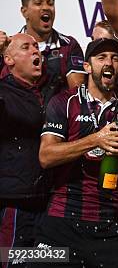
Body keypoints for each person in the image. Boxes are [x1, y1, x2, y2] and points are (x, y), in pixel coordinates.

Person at [36, 38, 118, 267]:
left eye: (115, 58)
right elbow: (46, 156)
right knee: (15, 257)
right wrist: (95, 139)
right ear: (87, 66)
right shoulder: (64, 101)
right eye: (101, 58)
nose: (109, 62)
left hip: (113, 222)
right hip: (62, 222)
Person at [0, 34, 47, 267]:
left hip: (45, 202)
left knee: (44, 261)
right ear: (8, 59)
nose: (35, 51)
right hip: (15, 204)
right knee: (12, 262)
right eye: (26, 47)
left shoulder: (44, 94)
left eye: (37, 47)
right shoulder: (3, 94)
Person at [0, 0, 86, 104]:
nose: (46, 7)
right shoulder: (8, 46)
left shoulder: (68, 45)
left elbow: (77, 97)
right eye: (38, 3)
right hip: (15, 119)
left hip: (57, 120)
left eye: (50, 3)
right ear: (24, 12)